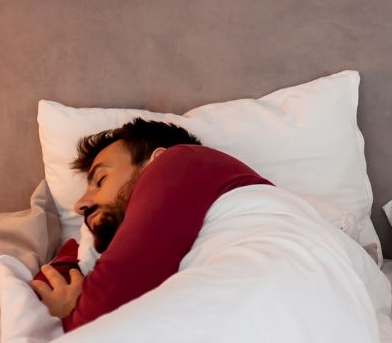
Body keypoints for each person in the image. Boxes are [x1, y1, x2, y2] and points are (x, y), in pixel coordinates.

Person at [30, 119, 270, 331]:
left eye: (101, 180)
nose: (79, 205)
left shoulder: (182, 160)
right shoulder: (181, 236)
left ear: (156, 161)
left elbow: (98, 315)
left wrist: (68, 312)